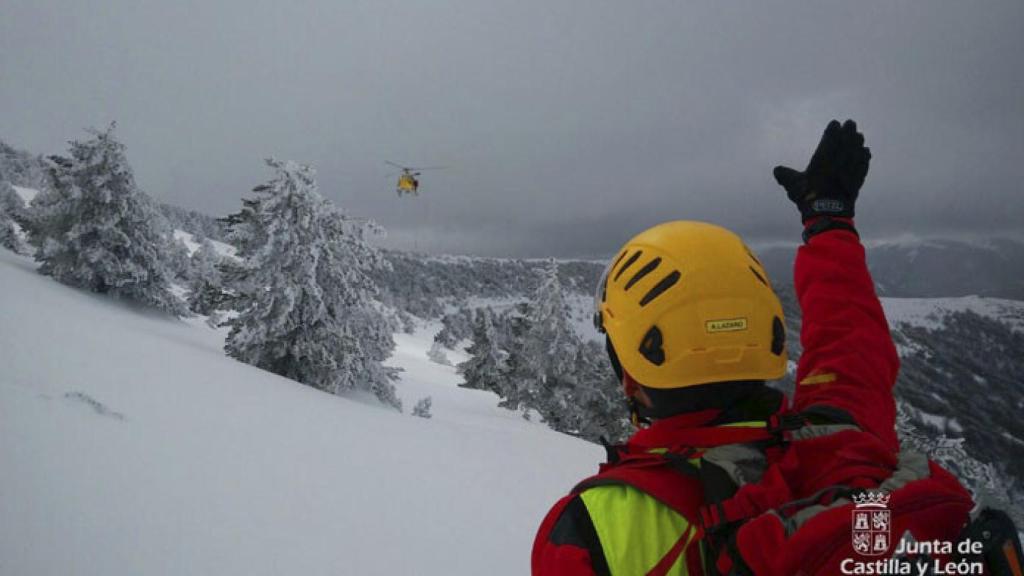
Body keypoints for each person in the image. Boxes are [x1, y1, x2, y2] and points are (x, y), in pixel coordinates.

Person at [531, 120, 978, 575]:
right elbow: (849, 351)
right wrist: (829, 222)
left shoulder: (592, 530)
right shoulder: (841, 447)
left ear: (631, 376)